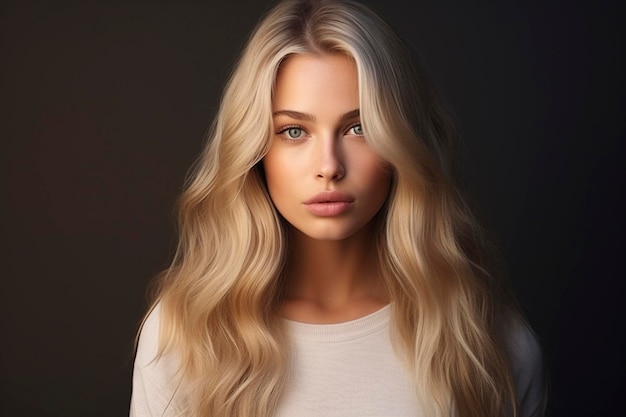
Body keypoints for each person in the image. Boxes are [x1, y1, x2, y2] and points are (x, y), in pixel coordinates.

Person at [129, 0, 546, 416]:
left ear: (400, 139)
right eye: (294, 131)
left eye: (358, 128)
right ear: (255, 150)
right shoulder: (182, 339)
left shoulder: (487, 343)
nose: (329, 166)